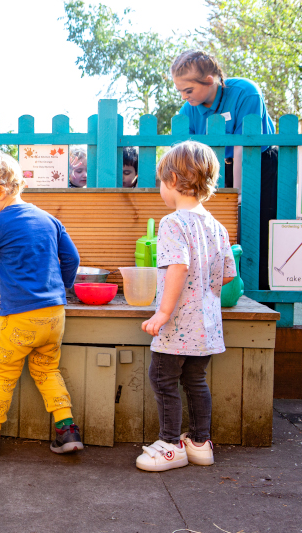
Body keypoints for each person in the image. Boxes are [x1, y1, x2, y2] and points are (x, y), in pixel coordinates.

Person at [0, 150, 82, 458]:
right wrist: (60, 287)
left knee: (3, 374)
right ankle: (67, 430)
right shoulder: (48, 219)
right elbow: (72, 258)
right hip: (54, 315)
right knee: (47, 370)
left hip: (19, 317)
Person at [136, 141, 236, 472]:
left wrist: (163, 312)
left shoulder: (173, 222)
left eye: (160, 182)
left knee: (163, 378)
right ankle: (199, 443)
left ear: (173, 180)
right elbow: (227, 276)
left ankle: (169, 445)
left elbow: (177, 267)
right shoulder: (217, 227)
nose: (160, 190)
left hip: (178, 324)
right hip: (206, 326)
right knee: (195, 382)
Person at [171, 49, 277, 290]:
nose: (184, 97)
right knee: (220, 227)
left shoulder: (246, 92)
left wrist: (238, 191)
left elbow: (242, 147)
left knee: (258, 227)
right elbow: (186, 153)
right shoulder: (189, 109)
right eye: (180, 91)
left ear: (209, 81)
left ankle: (260, 291)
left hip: (258, 164)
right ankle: (218, 290)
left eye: (189, 90)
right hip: (216, 170)